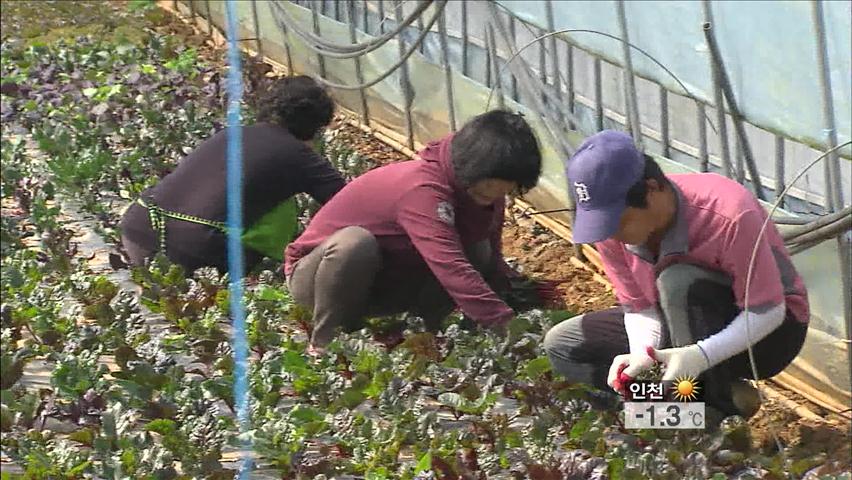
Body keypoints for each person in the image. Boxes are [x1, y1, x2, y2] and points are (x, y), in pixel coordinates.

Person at [543, 130, 809, 421]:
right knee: (564, 344)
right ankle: (694, 405)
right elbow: (640, 309)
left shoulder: (729, 212)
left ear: (652, 189)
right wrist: (643, 354)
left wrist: (700, 356)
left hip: (769, 333)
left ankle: (707, 412)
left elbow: (768, 309)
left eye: (618, 221)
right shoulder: (610, 232)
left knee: (677, 281)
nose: (611, 234)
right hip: (678, 324)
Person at [284, 110, 543, 353]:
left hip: (383, 284)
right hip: (319, 282)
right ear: (472, 167)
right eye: (483, 190)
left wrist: (514, 295)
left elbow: (492, 252)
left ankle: (421, 335)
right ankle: (324, 346)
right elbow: (449, 265)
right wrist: (507, 327)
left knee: (479, 249)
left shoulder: (482, 188)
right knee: (355, 244)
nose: (491, 198)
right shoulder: (422, 189)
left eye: (502, 193)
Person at [119, 75, 345, 273]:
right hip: (194, 251)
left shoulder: (231, 134)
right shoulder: (301, 157)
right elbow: (349, 203)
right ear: (317, 127)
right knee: (283, 213)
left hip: (139, 229)